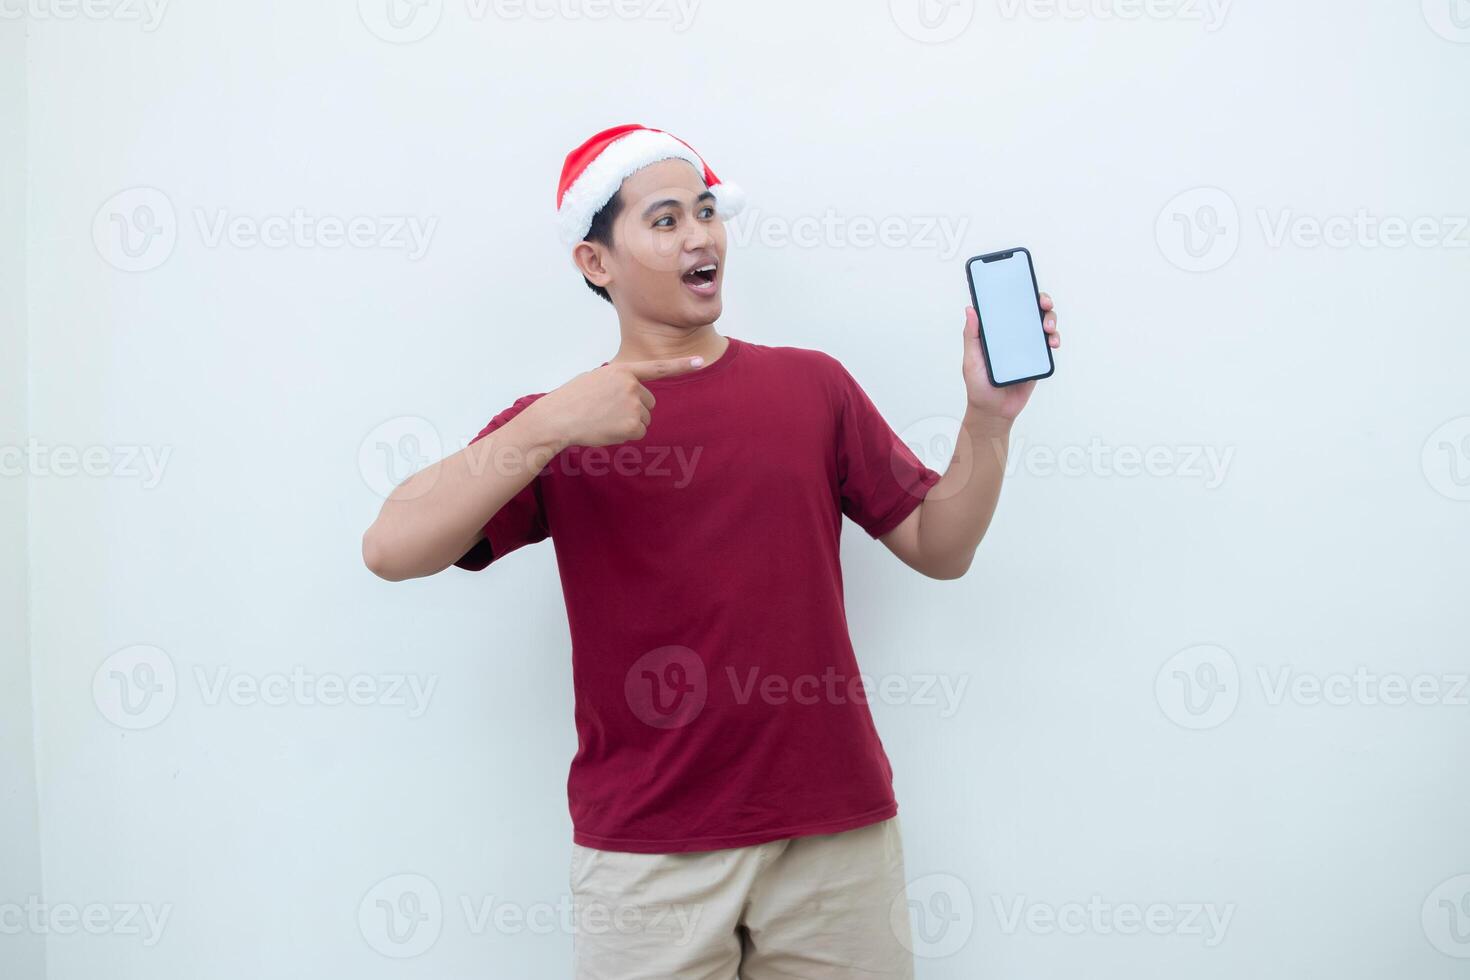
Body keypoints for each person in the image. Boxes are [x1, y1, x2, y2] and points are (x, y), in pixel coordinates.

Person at [361, 123, 1063, 979]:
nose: (701, 236)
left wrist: (988, 417)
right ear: (596, 263)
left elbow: (940, 547)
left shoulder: (812, 386)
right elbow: (392, 547)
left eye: (705, 212)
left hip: (835, 843)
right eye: (664, 220)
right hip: (648, 860)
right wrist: (548, 425)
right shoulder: (559, 426)